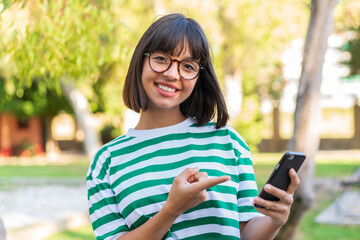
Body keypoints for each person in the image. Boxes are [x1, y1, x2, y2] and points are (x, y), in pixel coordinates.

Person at [86, 13, 300, 240]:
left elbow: (246, 233)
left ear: (198, 77)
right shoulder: (107, 162)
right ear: (140, 61)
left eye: (188, 66)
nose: (171, 74)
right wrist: (172, 210)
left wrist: (275, 220)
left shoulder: (228, 141)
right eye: (161, 58)